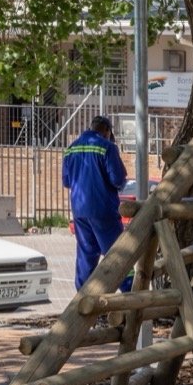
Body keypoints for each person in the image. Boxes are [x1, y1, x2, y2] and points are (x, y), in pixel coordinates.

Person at [63, 115, 130, 292]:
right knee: (117, 254)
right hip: (103, 210)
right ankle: (131, 294)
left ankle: (83, 298)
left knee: (86, 255)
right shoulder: (107, 147)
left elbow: (67, 181)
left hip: (79, 211)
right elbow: (117, 179)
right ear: (106, 131)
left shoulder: (71, 149)